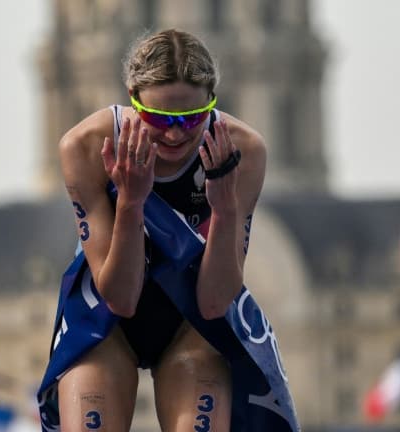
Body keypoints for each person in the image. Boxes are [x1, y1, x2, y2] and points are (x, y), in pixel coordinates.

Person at [36, 29, 297, 431]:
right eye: (159, 119)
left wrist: (224, 209)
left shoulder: (242, 150)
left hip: (192, 322)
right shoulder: (87, 145)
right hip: (106, 321)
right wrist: (130, 202)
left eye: (193, 118)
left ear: (213, 101)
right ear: (133, 99)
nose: (175, 134)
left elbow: (214, 303)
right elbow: (120, 298)